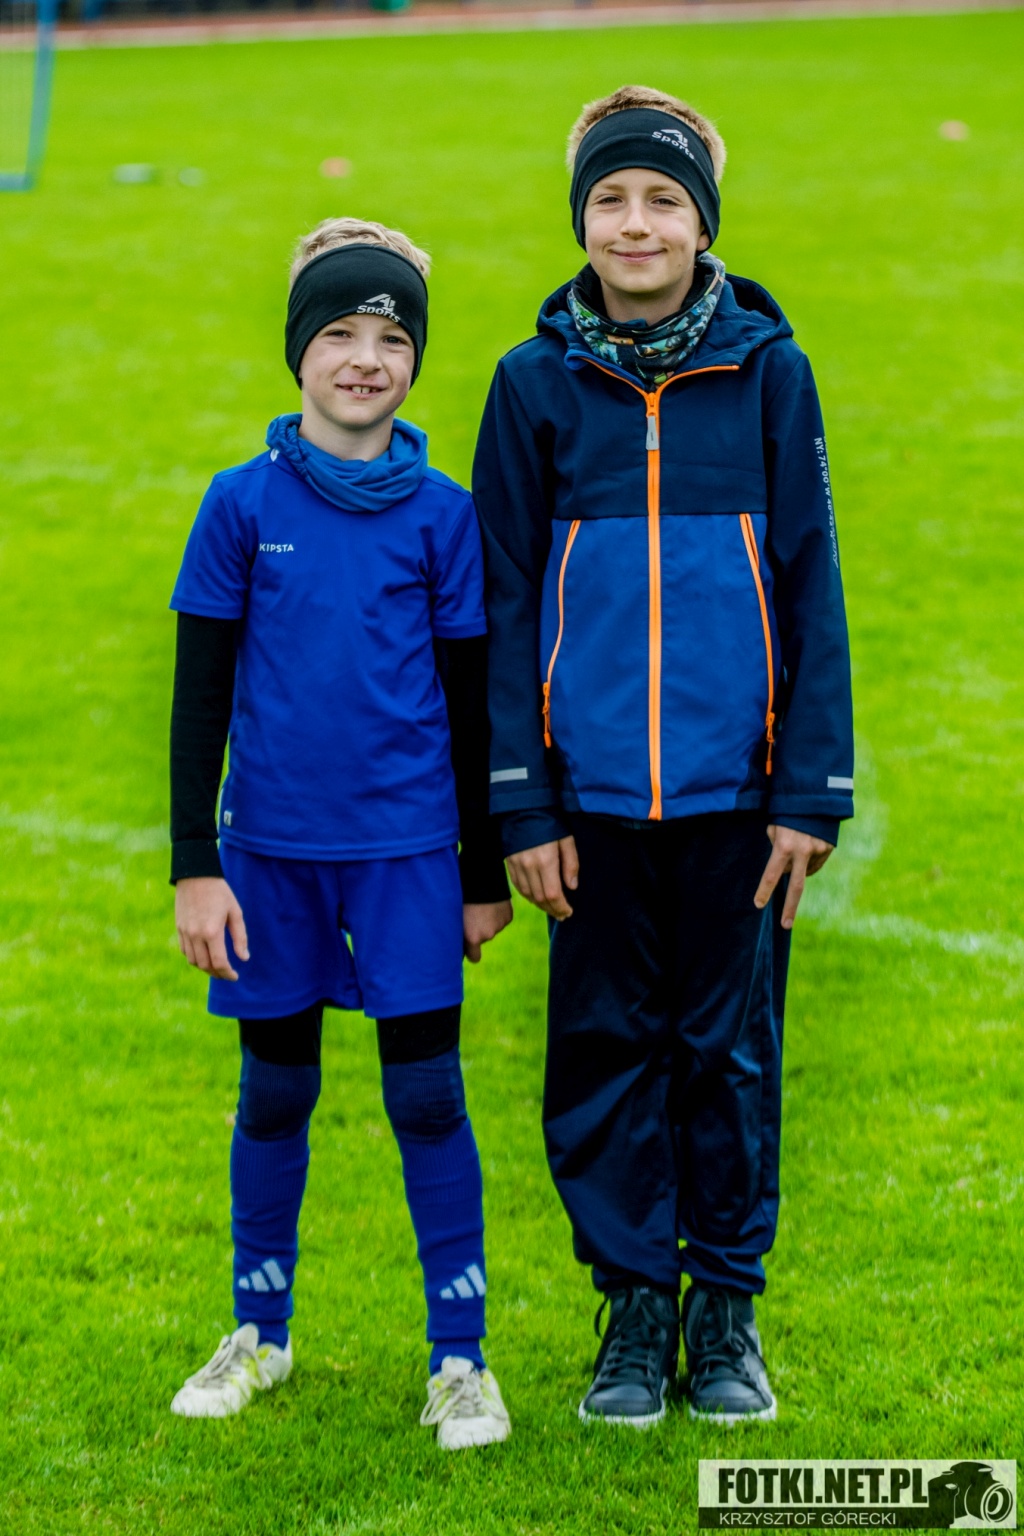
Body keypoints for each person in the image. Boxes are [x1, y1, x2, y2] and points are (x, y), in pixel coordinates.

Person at [473, 86, 854, 1427]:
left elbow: (810, 581)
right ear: (578, 218)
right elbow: (501, 602)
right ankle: (634, 1312)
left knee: (729, 1057)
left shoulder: (769, 372)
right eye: (609, 199)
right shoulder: (531, 385)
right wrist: (520, 804)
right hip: (584, 802)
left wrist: (810, 788)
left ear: (705, 222)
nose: (635, 224)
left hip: (738, 795)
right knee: (604, 1053)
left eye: (663, 201)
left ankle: (725, 1316)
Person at [167, 217, 513, 1449]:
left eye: (391, 339)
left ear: (415, 360)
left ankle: (459, 1359)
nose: (366, 359)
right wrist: (196, 866)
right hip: (268, 858)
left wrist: (480, 871)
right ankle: (258, 1331)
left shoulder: (443, 514)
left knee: (425, 1096)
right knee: (274, 1094)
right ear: (298, 352)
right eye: (340, 335)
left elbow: (469, 706)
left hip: (408, 857)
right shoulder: (239, 504)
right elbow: (200, 695)